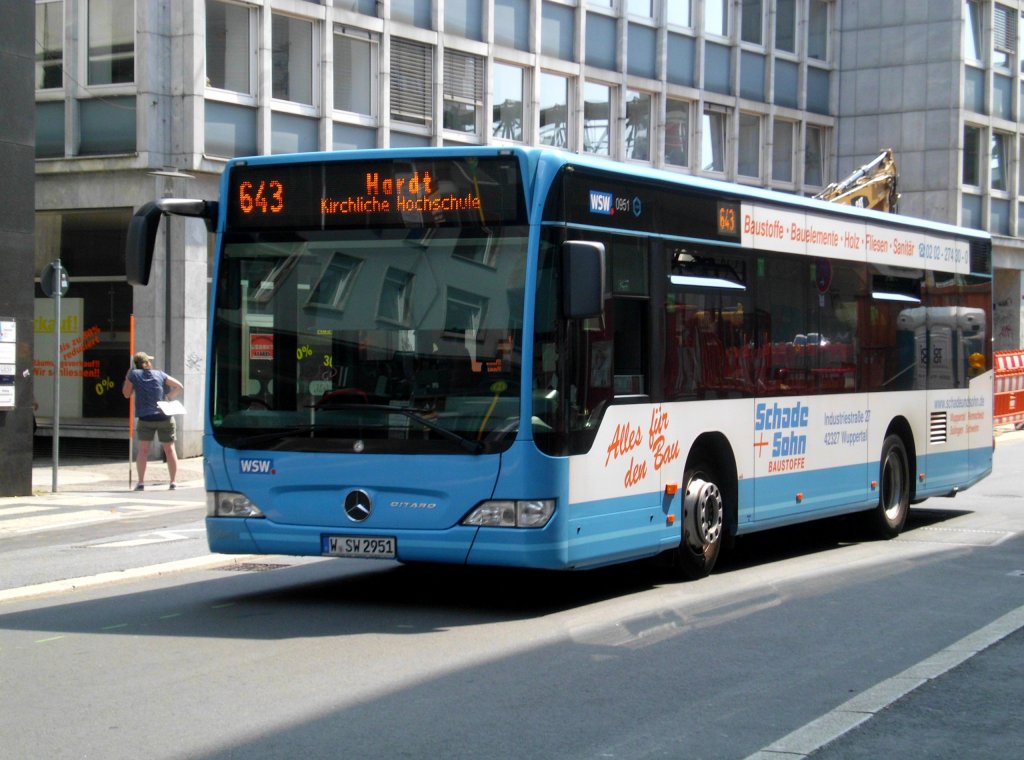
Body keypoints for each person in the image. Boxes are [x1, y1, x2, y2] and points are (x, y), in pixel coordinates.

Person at [122, 351, 184, 490]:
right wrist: (168, 397)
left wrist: (127, 377)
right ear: (147, 363)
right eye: (149, 361)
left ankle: (141, 482)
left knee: (143, 451)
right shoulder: (160, 374)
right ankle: (173, 481)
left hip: (146, 418)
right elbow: (179, 386)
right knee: (169, 450)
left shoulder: (134, 375)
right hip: (165, 416)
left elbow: (126, 394)